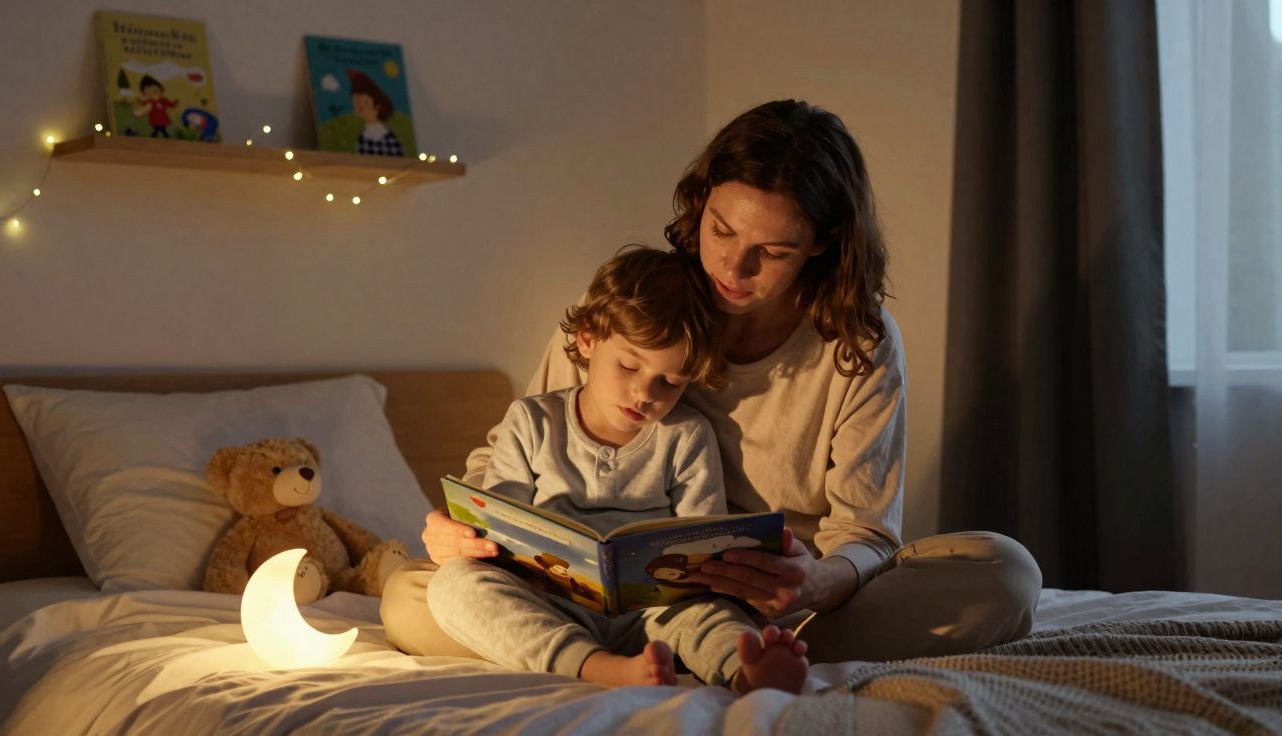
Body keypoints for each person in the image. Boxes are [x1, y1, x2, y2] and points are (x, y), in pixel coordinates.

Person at [383, 99, 1043, 665]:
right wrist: (458, 530)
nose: (734, 264)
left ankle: (721, 651)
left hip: (779, 604)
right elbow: (518, 446)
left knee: (1004, 573)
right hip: (578, 594)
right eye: (720, 229)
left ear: (821, 244)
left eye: (774, 251)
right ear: (698, 204)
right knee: (408, 598)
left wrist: (816, 584)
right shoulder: (630, 308)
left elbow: (867, 535)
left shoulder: (858, 345)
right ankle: (629, 650)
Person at [427, 245, 810, 693]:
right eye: (629, 365)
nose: (644, 393)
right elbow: (502, 522)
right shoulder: (530, 421)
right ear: (588, 339)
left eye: (670, 382)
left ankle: (748, 670)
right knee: (453, 586)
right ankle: (597, 667)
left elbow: (703, 537)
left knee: (711, 616)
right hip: (550, 602)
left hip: (655, 612)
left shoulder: (686, 435)